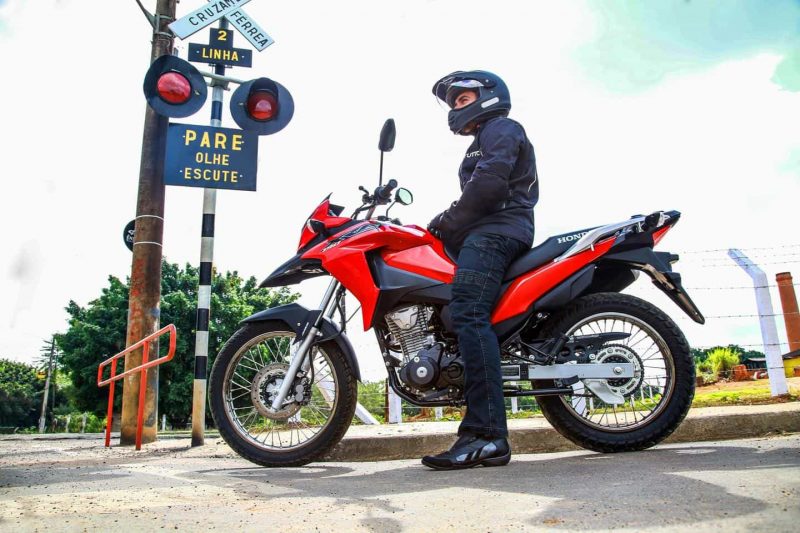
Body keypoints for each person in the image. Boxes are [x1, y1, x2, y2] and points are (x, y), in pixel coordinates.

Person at [423, 70, 539, 470]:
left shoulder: (501, 128)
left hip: (497, 232)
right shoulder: (483, 138)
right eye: (454, 102)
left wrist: (448, 219)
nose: (456, 107)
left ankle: (486, 436)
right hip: (487, 231)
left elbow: (488, 185)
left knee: (469, 312)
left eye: (462, 99)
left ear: (488, 96)